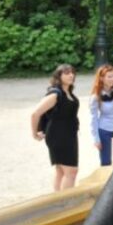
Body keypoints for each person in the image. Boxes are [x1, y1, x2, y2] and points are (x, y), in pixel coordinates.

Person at [30, 63, 80, 191]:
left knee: (61, 171)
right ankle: (66, 203)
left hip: (69, 135)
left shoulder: (68, 92)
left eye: (72, 72)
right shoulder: (55, 94)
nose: (71, 75)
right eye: (67, 73)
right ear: (59, 76)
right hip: (58, 136)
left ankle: (57, 200)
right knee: (71, 171)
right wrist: (34, 133)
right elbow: (35, 114)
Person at [88, 64, 113, 167]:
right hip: (105, 130)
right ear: (102, 78)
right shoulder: (96, 96)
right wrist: (96, 139)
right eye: (109, 76)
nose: (112, 79)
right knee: (106, 162)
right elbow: (93, 118)